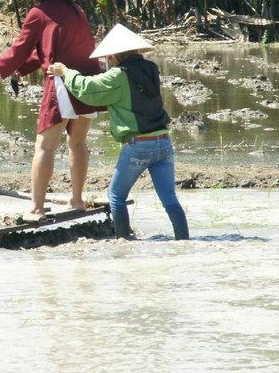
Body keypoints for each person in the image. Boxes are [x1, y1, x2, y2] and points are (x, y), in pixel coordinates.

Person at [0, 0, 102, 220]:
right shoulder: (75, 10)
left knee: (45, 147)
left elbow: (21, 48)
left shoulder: (38, 13)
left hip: (62, 80)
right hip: (88, 81)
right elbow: (42, 51)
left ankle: (36, 208)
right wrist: (17, 69)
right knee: (78, 142)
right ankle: (77, 200)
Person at [47, 24, 189, 240]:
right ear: (138, 52)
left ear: (112, 56)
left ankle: (124, 243)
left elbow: (87, 89)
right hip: (164, 144)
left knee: (115, 196)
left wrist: (65, 72)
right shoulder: (151, 70)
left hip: (138, 147)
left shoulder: (118, 76)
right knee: (170, 199)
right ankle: (184, 242)